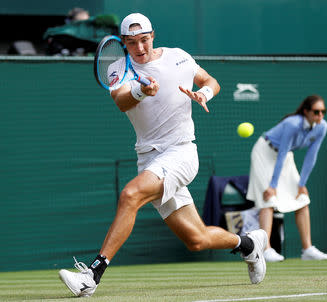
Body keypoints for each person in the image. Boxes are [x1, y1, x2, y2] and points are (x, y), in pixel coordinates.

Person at [58, 13, 268, 297]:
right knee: (197, 239)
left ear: (153, 36)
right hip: (149, 159)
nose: (140, 48)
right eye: (132, 43)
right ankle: (249, 245)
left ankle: (92, 275)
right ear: (123, 43)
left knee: (131, 195)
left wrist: (204, 93)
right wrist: (141, 91)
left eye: (144, 40)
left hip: (181, 153)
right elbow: (121, 101)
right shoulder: (119, 68)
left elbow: (209, 79)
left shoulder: (178, 57)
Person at [246, 95, 327, 262]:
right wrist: (273, 185)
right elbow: (282, 152)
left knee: (302, 198)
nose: (320, 116)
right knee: (268, 199)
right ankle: (266, 249)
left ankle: (307, 249)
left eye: (323, 112)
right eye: (316, 112)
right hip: (265, 152)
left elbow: (311, 156)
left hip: (284, 157)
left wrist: (302, 184)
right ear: (306, 112)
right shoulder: (292, 124)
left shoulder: (322, 127)